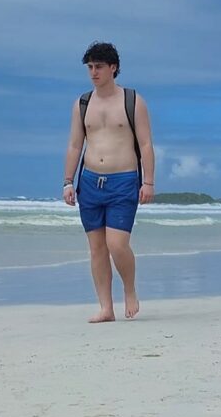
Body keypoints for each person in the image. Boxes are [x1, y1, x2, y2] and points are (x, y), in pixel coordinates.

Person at [63, 42, 155, 322]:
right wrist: (68, 181)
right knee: (97, 248)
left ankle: (129, 289)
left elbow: (146, 143)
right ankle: (106, 307)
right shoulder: (82, 104)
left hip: (124, 180)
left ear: (113, 68)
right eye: (90, 67)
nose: (94, 72)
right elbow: (74, 145)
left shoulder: (133, 100)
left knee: (117, 244)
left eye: (99, 66)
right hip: (89, 181)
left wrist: (148, 182)